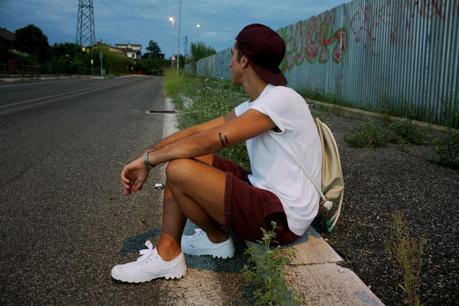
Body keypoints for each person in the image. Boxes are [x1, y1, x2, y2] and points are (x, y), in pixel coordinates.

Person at [111, 23, 322, 283]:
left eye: (232, 55)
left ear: (244, 59)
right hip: (265, 193)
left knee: (178, 169)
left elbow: (213, 140)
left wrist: (149, 162)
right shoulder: (257, 103)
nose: (229, 63)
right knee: (188, 158)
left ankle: (168, 255)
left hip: (283, 218)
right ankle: (216, 240)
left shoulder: (282, 99)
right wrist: (149, 152)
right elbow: (200, 130)